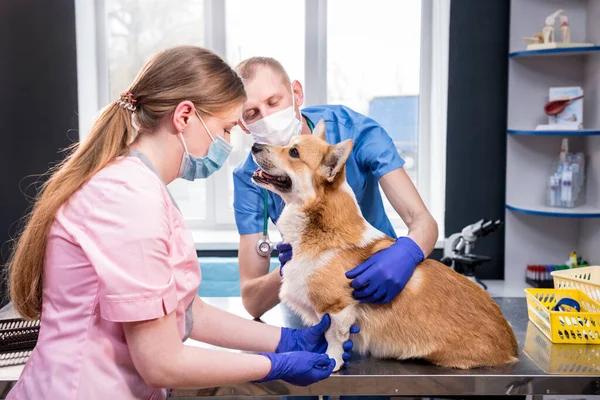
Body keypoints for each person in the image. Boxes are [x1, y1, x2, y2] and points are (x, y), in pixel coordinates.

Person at [6, 46, 359, 400]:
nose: (226, 143)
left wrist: (287, 340)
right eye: (224, 129)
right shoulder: (128, 198)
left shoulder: (140, 187)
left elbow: (186, 312)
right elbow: (162, 362)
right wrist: (273, 365)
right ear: (185, 116)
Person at [233, 57, 439, 319]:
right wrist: (292, 267)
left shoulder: (353, 131)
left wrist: (405, 254)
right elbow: (253, 301)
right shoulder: (250, 177)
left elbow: (423, 221)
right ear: (241, 123)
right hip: (317, 296)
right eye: (252, 114)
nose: (268, 118)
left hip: (382, 282)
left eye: (274, 102)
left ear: (296, 93)